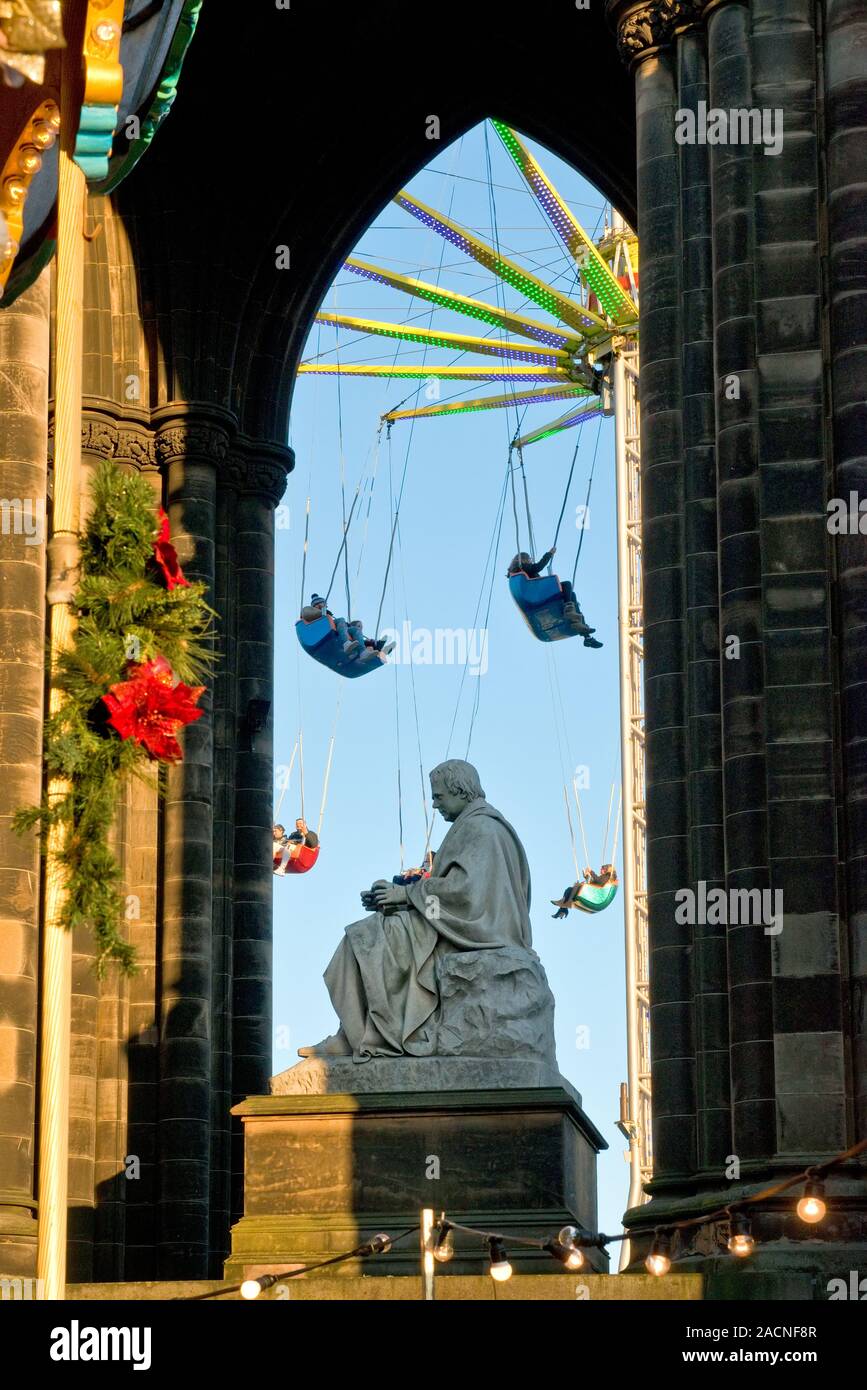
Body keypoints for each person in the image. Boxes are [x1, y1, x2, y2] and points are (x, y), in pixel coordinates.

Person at [297, 760, 535, 1060]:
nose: (435, 805)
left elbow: (467, 893)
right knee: (374, 932)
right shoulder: (479, 824)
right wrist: (398, 899)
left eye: (439, 797)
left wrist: (406, 895)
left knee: (367, 937)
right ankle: (354, 1032)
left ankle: (361, 1036)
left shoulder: (481, 828)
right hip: (459, 924)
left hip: (474, 932)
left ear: (460, 791)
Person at [507, 548, 602, 648]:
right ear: (525, 559)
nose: (531, 560)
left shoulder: (516, 571)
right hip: (538, 594)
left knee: (571, 595)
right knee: (567, 585)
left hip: (537, 594)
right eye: (529, 559)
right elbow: (538, 567)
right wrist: (549, 554)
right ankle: (570, 611)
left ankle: (587, 637)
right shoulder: (522, 567)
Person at [551, 863, 618, 918]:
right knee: (569, 889)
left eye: (602, 869)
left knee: (578, 886)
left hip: (598, 899)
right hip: (594, 893)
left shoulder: (608, 876)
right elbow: (595, 883)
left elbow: (599, 881)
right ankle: (563, 909)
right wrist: (586, 877)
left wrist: (591, 872)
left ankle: (567, 904)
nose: (600, 870)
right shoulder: (604, 876)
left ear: (605, 870)